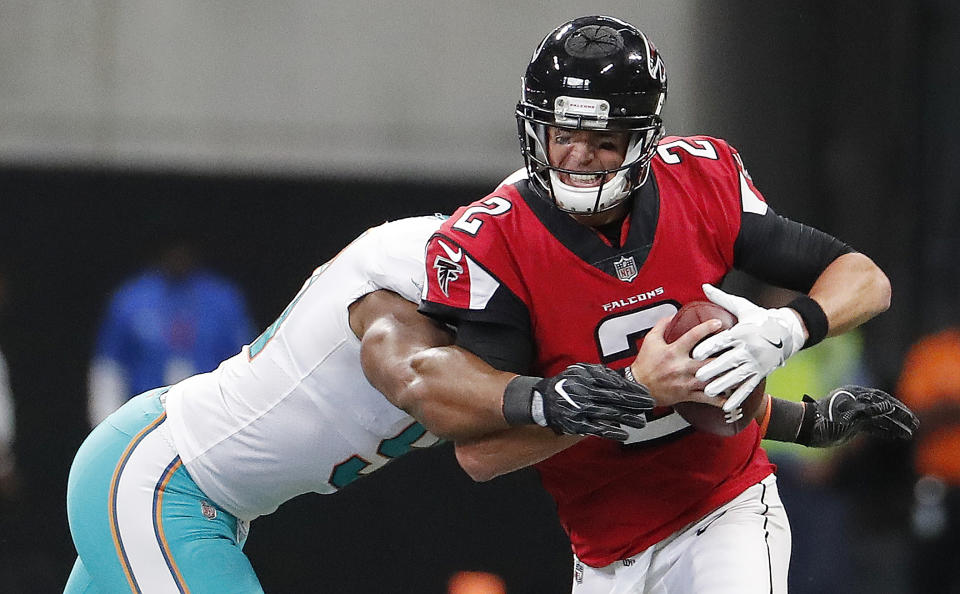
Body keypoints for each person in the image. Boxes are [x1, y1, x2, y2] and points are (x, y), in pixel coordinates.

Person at [418, 15, 916, 593]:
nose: (578, 156)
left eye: (604, 141)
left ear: (642, 140)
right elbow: (481, 455)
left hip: (725, 506)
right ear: (537, 131)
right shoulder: (491, 245)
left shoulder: (698, 181)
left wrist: (785, 329)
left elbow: (866, 279)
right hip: (604, 551)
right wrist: (636, 392)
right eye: (563, 135)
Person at [64, 215, 660, 593]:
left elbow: (483, 454)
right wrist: (551, 397)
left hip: (203, 498)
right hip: (159, 480)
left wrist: (645, 392)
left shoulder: (511, 307)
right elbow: (415, 378)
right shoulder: (402, 281)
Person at [87, 237, 255, 426]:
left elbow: (247, 366)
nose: (178, 255)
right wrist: (107, 431)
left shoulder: (223, 299)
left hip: (211, 422)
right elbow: (108, 370)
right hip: (145, 424)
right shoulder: (131, 300)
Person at [896, 327, 960, 593]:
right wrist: (950, 409)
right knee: (931, 571)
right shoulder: (933, 351)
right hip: (938, 485)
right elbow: (908, 419)